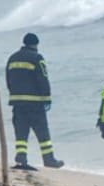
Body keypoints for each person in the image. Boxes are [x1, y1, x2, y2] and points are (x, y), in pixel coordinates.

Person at [5, 33, 64, 169]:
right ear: (36, 44)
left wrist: (14, 94)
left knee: (21, 132)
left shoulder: (12, 58)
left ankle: (21, 158)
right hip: (35, 103)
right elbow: (42, 78)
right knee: (42, 132)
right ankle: (49, 160)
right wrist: (47, 98)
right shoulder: (37, 58)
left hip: (17, 102)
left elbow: (8, 79)